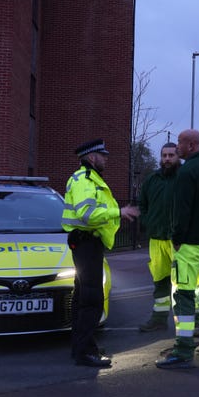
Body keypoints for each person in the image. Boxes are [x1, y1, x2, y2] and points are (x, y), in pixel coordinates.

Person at [62, 138, 135, 368]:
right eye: (103, 155)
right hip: (87, 244)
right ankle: (85, 352)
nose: (106, 159)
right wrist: (118, 211)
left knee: (82, 297)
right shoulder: (85, 180)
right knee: (92, 299)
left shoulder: (88, 178)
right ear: (92, 157)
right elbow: (88, 214)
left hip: (85, 244)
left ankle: (81, 347)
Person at [155, 129, 199, 369]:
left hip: (189, 245)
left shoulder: (187, 172)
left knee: (183, 294)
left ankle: (183, 351)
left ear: (192, 145)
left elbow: (181, 210)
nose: (178, 146)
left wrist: (176, 237)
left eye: (181, 143)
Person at [136, 142, 180, 332]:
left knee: (183, 283)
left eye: (171, 155)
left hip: (178, 240)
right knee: (160, 280)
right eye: (164, 155)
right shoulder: (152, 180)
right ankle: (159, 319)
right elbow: (142, 204)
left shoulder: (184, 178)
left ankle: (190, 320)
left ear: (178, 156)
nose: (167, 159)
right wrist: (148, 222)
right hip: (156, 238)